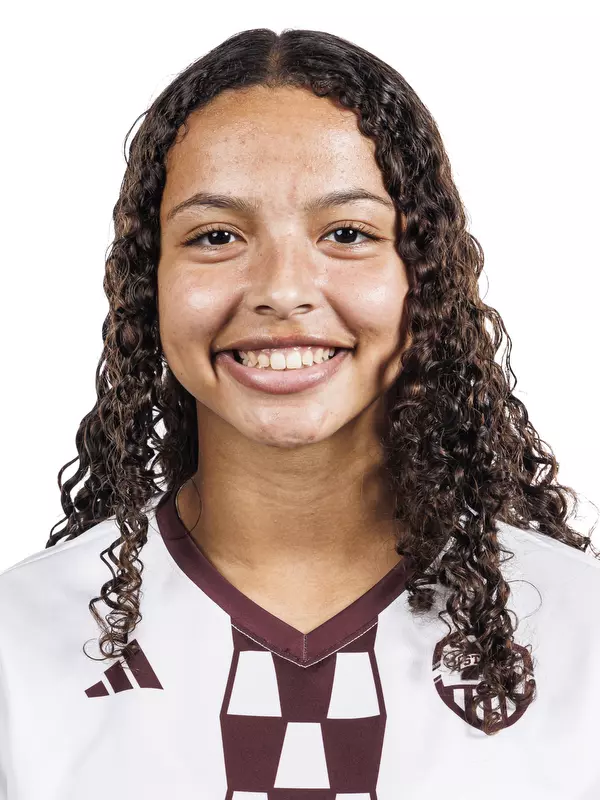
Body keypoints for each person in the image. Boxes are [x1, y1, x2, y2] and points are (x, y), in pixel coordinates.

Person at [0, 27, 598, 799]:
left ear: (426, 280)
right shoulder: (17, 647)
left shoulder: (580, 634)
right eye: (217, 235)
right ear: (150, 286)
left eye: (346, 234)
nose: (283, 289)